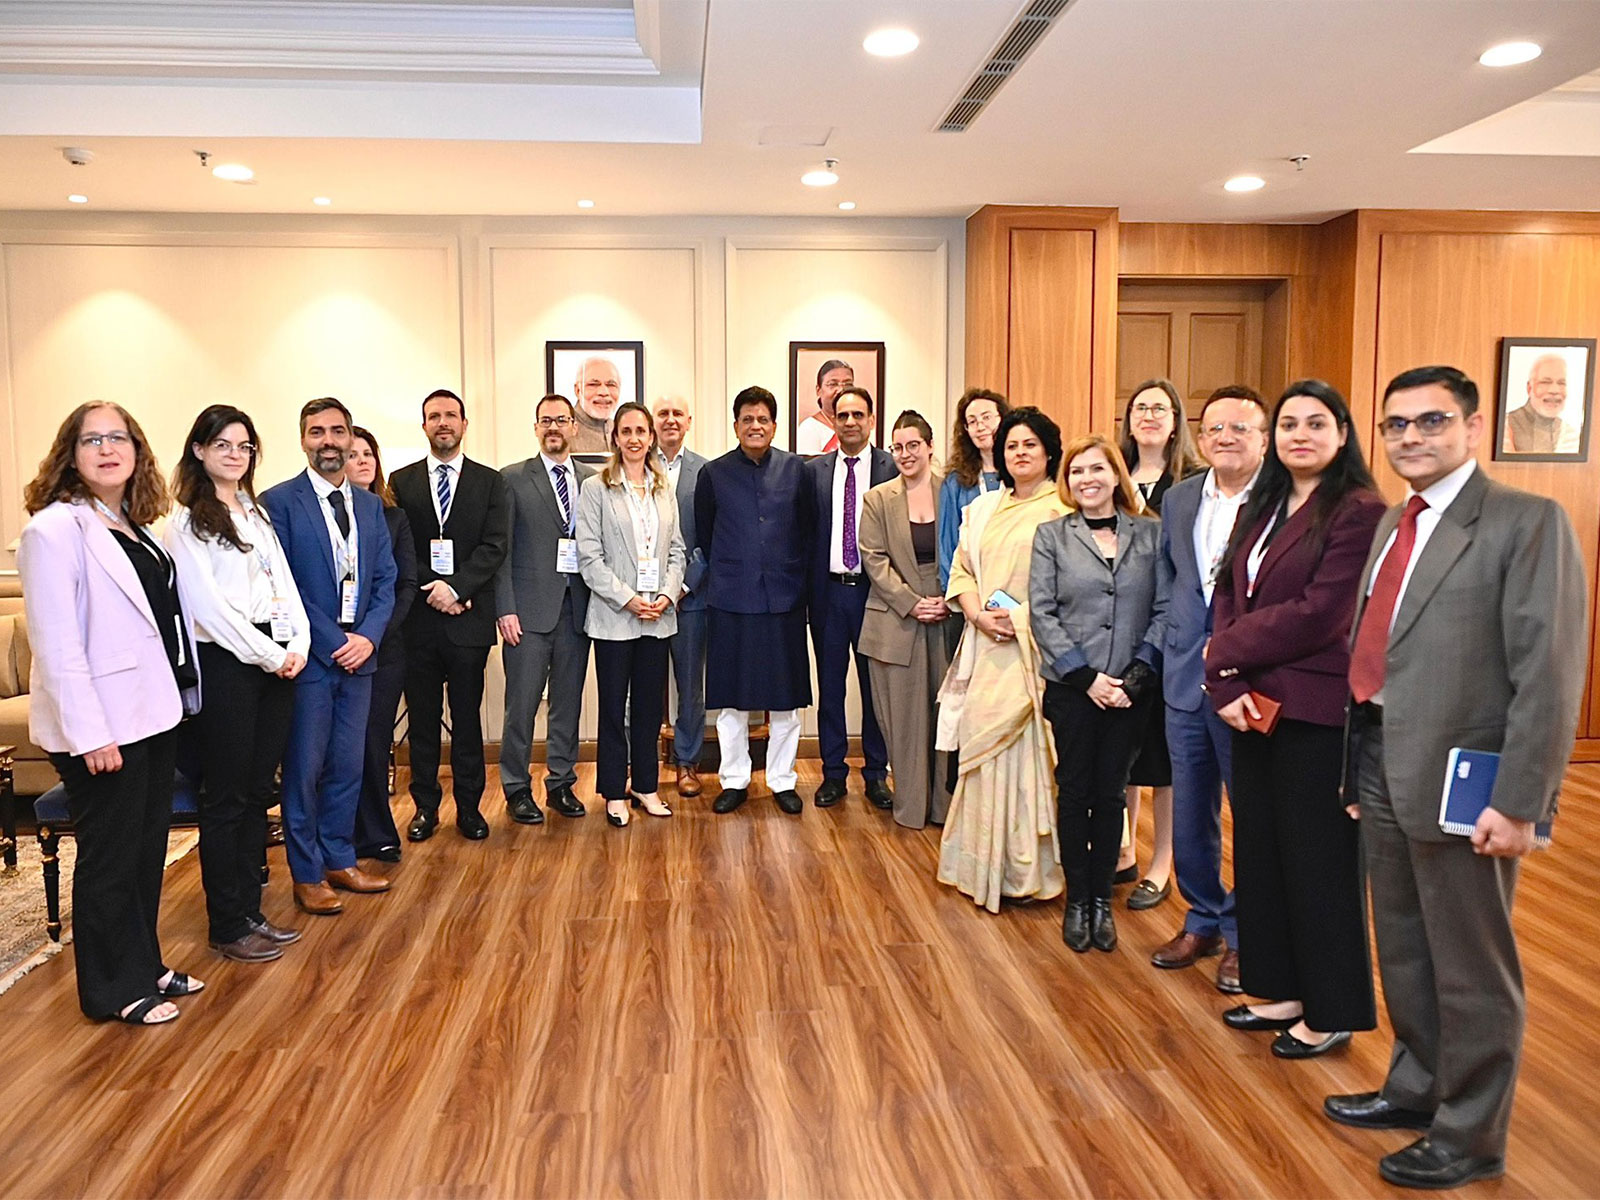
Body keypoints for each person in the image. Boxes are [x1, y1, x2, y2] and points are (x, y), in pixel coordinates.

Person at [1326, 365, 1586, 1190]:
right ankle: (1417, 1087)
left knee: (1471, 962)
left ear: (1473, 427)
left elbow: (1548, 674)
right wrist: (1357, 771)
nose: (1411, 437)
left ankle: (1471, 1134)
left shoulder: (1526, 522)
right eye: (1396, 424)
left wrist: (1521, 802)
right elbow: (1381, 649)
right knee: (1404, 945)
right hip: (1381, 760)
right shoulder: (1393, 521)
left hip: (1467, 781)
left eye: (1431, 421)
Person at [1205, 380, 1385, 1059]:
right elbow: (1228, 590)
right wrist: (1226, 679)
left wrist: (1222, 653)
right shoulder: (1266, 503)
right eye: (1288, 424)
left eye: (1316, 423)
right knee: (1263, 853)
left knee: (1320, 862)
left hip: (1317, 712)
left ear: (1342, 434)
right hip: (1253, 707)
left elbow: (1321, 614)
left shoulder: (1360, 511)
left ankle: (1331, 1008)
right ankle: (1280, 987)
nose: (1300, 435)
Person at [20, 401, 203, 1024]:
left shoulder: (132, 525)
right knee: (110, 859)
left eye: (118, 438)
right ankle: (109, 990)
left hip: (150, 714)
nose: (107, 449)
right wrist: (90, 735)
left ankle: (145, 966)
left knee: (146, 853)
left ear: (137, 451)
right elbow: (57, 646)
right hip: (101, 727)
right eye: (92, 440)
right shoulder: (53, 531)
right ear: (70, 455)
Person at [165, 405, 308, 964]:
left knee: (256, 792)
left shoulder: (254, 510)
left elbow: (283, 584)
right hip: (226, 664)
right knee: (225, 797)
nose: (235, 454)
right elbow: (208, 609)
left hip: (274, 659)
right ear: (199, 450)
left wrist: (298, 645)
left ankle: (251, 911)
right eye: (222, 444)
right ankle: (226, 923)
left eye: (244, 445)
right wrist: (270, 655)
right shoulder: (186, 521)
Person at [1148, 384, 1268, 993]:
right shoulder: (1179, 498)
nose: (1225, 438)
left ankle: (1248, 934)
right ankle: (1202, 918)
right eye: (1215, 428)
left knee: (1252, 813)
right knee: (1191, 808)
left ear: (1264, 439)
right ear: (1199, 437)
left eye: (1240, 428)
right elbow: (1172, 579)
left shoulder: (1282, 501)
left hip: (1250, 682)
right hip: (1183, 680)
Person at [261, 398, 397, 916]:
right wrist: (333, 641)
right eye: (317, 432)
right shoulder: (279, 503)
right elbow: (285, 586)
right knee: (305, 769)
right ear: (303, 440)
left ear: (350, 437)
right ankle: (307, 872)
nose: (329, 442)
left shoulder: (368, 504)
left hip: (361, 657)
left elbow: (384, 578)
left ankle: (340, 857)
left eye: (337, 431)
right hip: (312, 660)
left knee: (348, 764)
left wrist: (368, 638)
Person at [1031, 435, 1163, 952]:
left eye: (1097, 469)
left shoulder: (1150, 534)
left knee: (1112, 794)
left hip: (1130, 692)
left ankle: (1102, 900)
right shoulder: (1052, 536)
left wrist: (1136, 676)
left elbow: (1165, 609)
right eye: (1077, 471)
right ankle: (1078, 900)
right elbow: (1042, 612)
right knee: (1075, 792)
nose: (1087, 479)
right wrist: (1086, 678)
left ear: (1115, 475)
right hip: (1073, 690)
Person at [936, 406, 1070, 912]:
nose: (1019, 453)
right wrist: (976, 615)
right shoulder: (984, 508)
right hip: (986, 649)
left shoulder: (1064, 509)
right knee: (981, 752)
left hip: (1037, 655)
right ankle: (980, 868)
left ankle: (1026, 874)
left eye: (1030, 444)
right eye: (1012, 445)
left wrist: (1017, 619)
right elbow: (962, 570)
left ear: (1049, 451)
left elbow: (1074, 587)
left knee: (1032, 760)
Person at [389, 389, 510, 842]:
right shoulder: (401, 482)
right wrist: (436, 589)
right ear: (424, 425)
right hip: (418, 623)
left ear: (464, 424)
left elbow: (494, 545)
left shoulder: (490, 481)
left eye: (451, 415)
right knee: (422, 721)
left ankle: (470, 808)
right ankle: (425, 807)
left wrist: (457, 588)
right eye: (434, 416)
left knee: (467, 721)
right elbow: (401, 547)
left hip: (468, 622)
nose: (443, 422)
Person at [695, 385, 814, 814]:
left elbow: (807, 529)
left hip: (784, 599)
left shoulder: (797, 470)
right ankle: (734, 780)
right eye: (747, 419)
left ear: (774, 426)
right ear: (736, 426)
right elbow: (705, 534)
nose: (755, 426)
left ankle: (782, 780)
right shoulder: (714, 474)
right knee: (731, 701)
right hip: (731, 598)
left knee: (785, 701)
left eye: (763, 419)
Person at [1115, 378, 1206, 909]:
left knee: (1164, 759)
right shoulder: (1113, 475)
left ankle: (1161, 862)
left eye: (1160, 408)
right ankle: (1123, 848)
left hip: (1174, 636)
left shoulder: (1194, 482)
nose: (1149, 415)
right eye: (1140, 408)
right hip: (1118, 634)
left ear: (1176, 422)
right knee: (1123, 750)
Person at [576, 401, 686, 826]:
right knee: (613, 709)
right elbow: (589, 558)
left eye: (642, 431)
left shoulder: (663, 487)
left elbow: (676, 550)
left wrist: (667, 595)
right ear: (615, 438)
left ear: (651, 437)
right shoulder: (596, 489)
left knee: (648, 709)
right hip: (614, 618)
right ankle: (612, 790)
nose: (635, 438)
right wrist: (628, 599)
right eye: (627, 431)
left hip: (658, 617)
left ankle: (646, 785)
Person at [496, 394, 595, 822]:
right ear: (536, 428)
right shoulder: (512, 478)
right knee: (521, 707)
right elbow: (500, 550)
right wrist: (505, 608)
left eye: (561, 420)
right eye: (545, 420)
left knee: (567, 705)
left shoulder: (592, 480)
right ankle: (516, 787)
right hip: (527, 614)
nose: (553, 427)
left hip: (578, 611)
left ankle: (561, 783)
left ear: (575, 427)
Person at [858, 410, 953, 829]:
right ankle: (911, 806)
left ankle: (945, 808)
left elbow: (968, 549)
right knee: (904, 722)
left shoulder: (953, 491)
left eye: (913, 445)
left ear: (930, 447)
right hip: (896, 620)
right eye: (897, 447)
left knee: (947, 717)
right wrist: (912, 603)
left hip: (949, 616)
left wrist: (952, 598)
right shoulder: (878, 498)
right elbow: (874, 559)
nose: (905, 454)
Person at [806, 385, 896, 810]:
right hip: (827, 593)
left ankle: (876, 773)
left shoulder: (891, 469)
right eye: (842, 415)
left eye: (858, 414)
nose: (850, 422)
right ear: (833, 421)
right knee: (830, 687)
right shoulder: (814, 471)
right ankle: (833, 773)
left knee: (875, 687)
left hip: (875, 594)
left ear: (872, 420)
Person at [345, 427, 416, 862]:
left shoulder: (394, 518)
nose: (362, 461)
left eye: (368, 454)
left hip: (384, 648)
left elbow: (404, 584)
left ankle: (375, 832)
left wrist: (372, 637)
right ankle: (337, 835)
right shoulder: (325, 517)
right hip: (334, 648)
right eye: (353, 455)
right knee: (338, 749)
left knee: (373, 742)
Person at [654, 395, 710, 798]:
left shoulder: (706, 472)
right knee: (639, 686)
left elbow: (711, 538)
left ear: (689, 421)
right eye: (663, 414)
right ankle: (639, 762)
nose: (670, 420)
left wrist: (683, 586)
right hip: (642, 601)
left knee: (689, 686)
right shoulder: (635, 465)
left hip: (690, 599)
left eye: (677, 414)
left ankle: (687, 761)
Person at [937, 388, 1010, 597]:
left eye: (987, 418)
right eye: (972, 421)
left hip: (1015, 587)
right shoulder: (955, 482)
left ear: (1003, 419)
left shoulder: (1021, 475)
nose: (980, 426)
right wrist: (960, 595)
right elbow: (948, 545)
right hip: (969, 591)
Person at [1503, 351, 1579, 454]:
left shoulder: (1571, 436)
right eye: (1545, 382)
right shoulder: (1505, 426)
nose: (1554, 390)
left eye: (1561, 383)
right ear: (1529, 388)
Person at [795, 359, 854, 455]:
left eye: (848, 384)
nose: (841, 390)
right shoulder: (809, 428)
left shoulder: (859, 424)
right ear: (818, 390)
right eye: (833, 384)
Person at [570, 355, 623, 453]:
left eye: (611, 385)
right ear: (577, 390)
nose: (604, 392)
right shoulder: (564, 431)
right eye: (593, 384)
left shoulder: (621, 430)